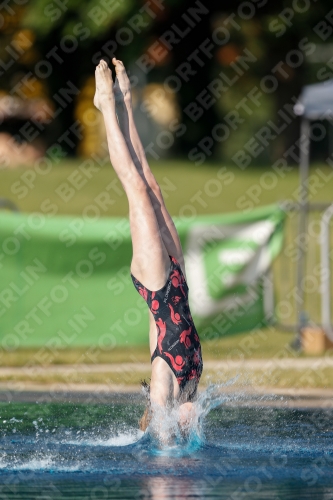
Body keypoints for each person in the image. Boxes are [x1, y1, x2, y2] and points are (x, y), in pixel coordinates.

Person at [94, 58, 203, 433]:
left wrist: (164, 439)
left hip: (156, 282)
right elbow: (192, 437)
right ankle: (125, 97)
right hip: (178, 278)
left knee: (136, 189)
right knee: (152, 188)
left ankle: (105, 106)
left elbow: (162, 433)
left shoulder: (162, 384)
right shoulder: (190, 388)